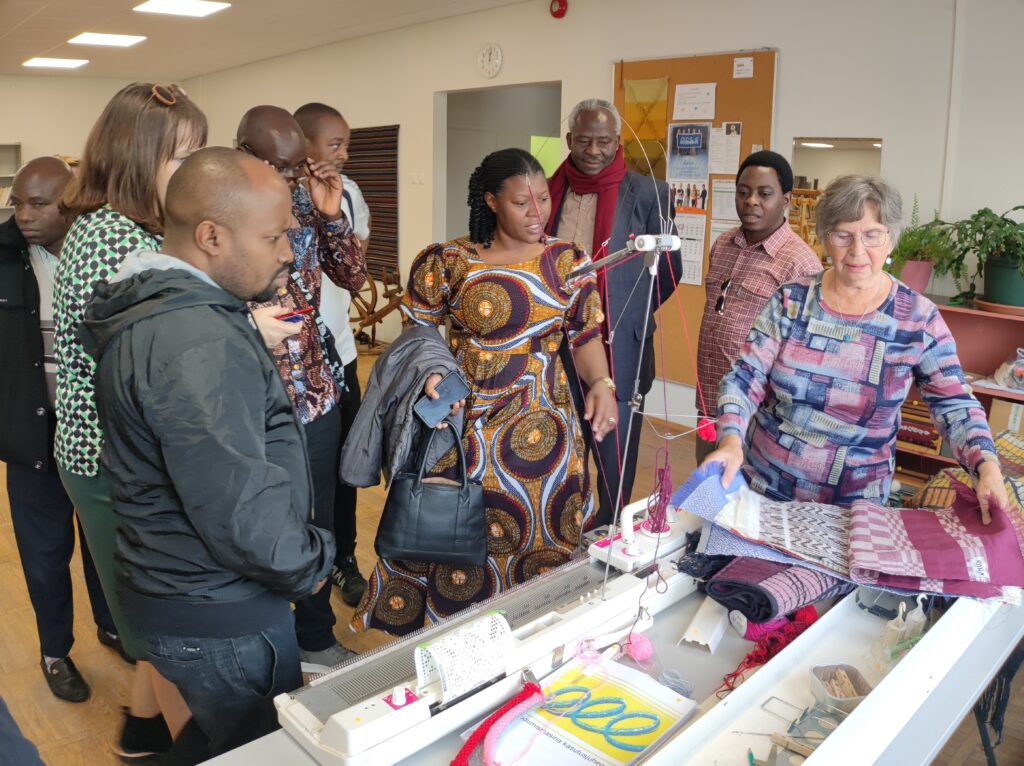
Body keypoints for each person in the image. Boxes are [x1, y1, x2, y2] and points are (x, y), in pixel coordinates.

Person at [80, 147, 336, 757]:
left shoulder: (169, 313)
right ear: (211, 236)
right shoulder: (195, 340)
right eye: (274, 236)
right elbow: (241, 511)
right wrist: (313, 560)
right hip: (221, 609)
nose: (286, 253)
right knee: (253, 750)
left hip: (181, 591)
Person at [353, 148, 617, 635]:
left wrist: (600, 383)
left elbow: (583, 334)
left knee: (542, 527)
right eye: (522, 203)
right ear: (492, 202)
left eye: (542, 199)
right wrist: (430, 375)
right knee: (455, 530)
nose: (538, 213)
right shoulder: (447, 261)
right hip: (464, 423)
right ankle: (454, 639)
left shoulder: (568, 261)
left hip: (547, 429)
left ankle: (535, 634)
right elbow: (418, 337)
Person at [704, 174, 1008, 517]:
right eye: (843, 234)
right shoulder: (792, 300)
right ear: (823, 238)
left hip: (855, 511)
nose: (857, 251)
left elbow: (954, 404)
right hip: (765, 493)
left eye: (872, 235)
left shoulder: (917, 319)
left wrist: (987, 467)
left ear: (891, 240)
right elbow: (745, 378)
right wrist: (731, 440)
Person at [54, 81, 205, 759]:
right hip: (112, 464)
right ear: (137, 158)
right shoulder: (112, 238)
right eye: (181, 156)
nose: (194, 171)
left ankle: (141, 732)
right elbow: (155, 355)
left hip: (112, 457)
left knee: (151, 619)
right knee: (167, 628)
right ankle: (190, 745)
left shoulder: (122, 229)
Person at [237, 105, 366, 673]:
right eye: (280, 166)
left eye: (296, 167)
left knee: (315, 517)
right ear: (245, 153)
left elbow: (354, 277)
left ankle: (314, 635)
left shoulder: (304, 201)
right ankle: (260, 640)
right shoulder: (221, 212)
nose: (291, 177)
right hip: (248, 399)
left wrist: (331, 215)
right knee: (258, 521)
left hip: (313, 389)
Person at [0, 157, 128, 704]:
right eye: (18, 203)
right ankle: (56, 652)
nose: (24, 215)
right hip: (31, 440)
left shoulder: (101, 253)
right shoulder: (2, 259)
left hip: (97, 435)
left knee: (106, 544)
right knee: (45, 556)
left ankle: (113, 624)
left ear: (71, 203)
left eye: (39, 204)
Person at [545, 98, 682, 528]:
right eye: (584, 140)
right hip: (554, 341)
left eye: (604, 141)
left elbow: (668, 272)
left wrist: (623, 314)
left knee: (613, 454)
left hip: (620, 343)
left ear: (618, 141)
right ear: (569, 140)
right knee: (559, 444)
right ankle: (561, 528)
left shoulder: (649, 193)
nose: (593, 150)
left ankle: (609, 530)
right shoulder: (548, 188)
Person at [695, 151, 821, 465]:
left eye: (764, 194)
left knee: (744, 504)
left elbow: (805, 353)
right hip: (709, 399)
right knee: (707, 493)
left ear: (786, 199)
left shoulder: (800, 264)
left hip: (758, 414)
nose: (751, 201)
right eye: (743, 192)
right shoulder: (723, 243)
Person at [294, 101, 370, 608]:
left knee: (347, 462)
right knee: (304, 477)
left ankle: (344, 559)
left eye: (346, 144)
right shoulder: (264, 197)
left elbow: (353, 264)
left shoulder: (348, 193)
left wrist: (331, 213)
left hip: (338, 352)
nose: (343, 154)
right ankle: (303, 571)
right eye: (334, 144)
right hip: (291, 366)